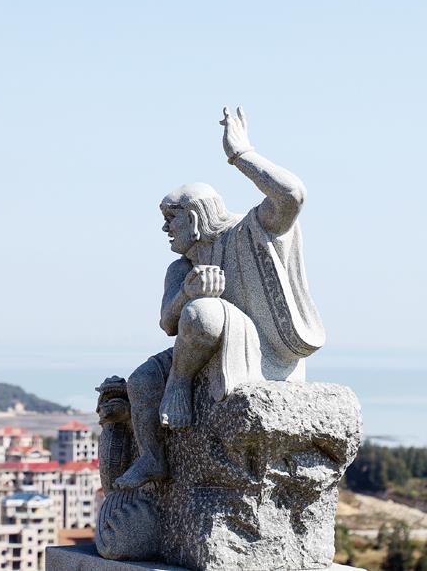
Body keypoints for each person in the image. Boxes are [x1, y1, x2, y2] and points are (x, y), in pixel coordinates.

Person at [114, 105, 325, 491]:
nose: (165, 228)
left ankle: (179, 386)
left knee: (204, 312)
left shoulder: (250, 230)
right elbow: (167, 323)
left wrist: (241, 154)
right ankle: (153, 457)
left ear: (194, 217)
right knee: (141, 380)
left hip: (259, 350)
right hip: (195, 348)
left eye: (171, 218)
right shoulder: (181, 268)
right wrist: (186, 292)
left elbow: (292, 196)